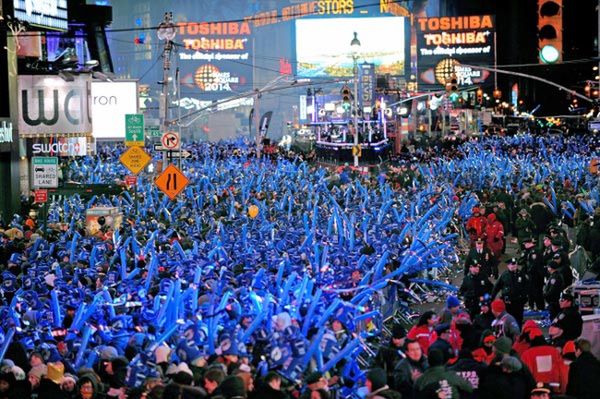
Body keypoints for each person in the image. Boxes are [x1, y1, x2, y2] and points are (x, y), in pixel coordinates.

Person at [492, 258, 529, 328]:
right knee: (507, 320)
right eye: (512, 265)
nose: (513, 266)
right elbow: (497, 287)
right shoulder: (504, 275)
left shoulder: (521, 275)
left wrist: (525, 298)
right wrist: (492, 297)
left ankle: (518, 335)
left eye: (515, 264)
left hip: (518, 302)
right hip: (508, 303)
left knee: (518, 320)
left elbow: (527, 287)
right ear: (508, 266)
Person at [520, 237, 545, 311]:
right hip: (531, 274)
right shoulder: (529, 251)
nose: (524, 245)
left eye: (525, 244)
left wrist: (528, 272)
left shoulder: (535, 251)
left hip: (536, 275)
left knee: (537, 291)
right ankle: (531, 305)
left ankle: (540, 306)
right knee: (530, 290)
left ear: (529, 243)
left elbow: (534, 264)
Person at [485, 213, 504, 278]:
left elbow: (501, 231)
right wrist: (483, 236)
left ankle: (495, 274)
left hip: (496, 244)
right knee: (489, 259)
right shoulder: (487, 225)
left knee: (495, 260)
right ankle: (489, 273)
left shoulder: (498, 224)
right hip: (489, 245)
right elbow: (485, 232)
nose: (489, 220)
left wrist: (497, 237)